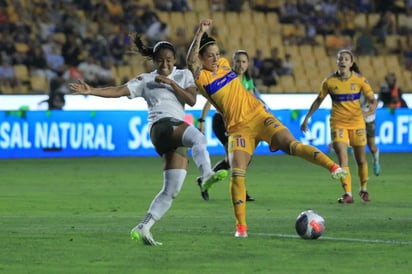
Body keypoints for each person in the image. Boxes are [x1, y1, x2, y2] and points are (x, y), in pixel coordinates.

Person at [186, 19, 347, 238]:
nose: (215, 58)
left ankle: (333, 168)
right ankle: (241, 228)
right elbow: (189, 61)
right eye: (209, 56)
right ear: (201, 58)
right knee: (237, 173)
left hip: (260, 116)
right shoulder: (202, 78)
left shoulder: (224, 64)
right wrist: (200, 32)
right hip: (238, 129)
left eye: (216, 53)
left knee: (292, 145)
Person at [68, 35, 228, 246]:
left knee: (171, 190)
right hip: (161, 126)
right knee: (198, 138)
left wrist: (171, 83)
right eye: (160, 60)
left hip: (173, 133)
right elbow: (119, 90)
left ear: (174, 59)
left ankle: (144, 227)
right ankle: (207, 175)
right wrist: (92, 90)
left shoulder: (184, 75)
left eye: (169, 59)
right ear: (154, 61)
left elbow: (191, 100)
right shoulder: (146, 80)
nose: (165, 64)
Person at [301, 49, 377, 204]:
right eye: (340, 59)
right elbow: (318, 100)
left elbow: (372, 99)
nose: (342, 61)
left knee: (361, 159)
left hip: (357, 123)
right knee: (343, 160)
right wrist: (307, 118)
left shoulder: (360, 80)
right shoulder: (329, 81)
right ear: (337, 62)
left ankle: (363, 189)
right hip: (338, 123)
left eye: (345, 59)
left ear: (351, 63)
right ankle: (348, 193)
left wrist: (371, 109)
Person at [197, 49, 265, 202]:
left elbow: (252, 101)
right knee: (238, 158)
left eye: (244, 62)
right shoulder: (226, 78)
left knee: (239, 159)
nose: (240, 64)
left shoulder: (247, 81)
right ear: (232, 62)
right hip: (222, 122)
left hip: (239, 123)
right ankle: (241, 192)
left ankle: (205, 180)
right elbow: (209, 100)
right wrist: (202, 120)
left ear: (248, 64)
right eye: (238, 61)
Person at [360, 93, 381, 176]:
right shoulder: (350, 91)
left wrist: (362, 115)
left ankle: (376, 161)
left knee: (372, 147)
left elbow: (372, 110)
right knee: (359, 146)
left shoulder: (366, 93)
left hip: (369, 121)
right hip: (357, 122)